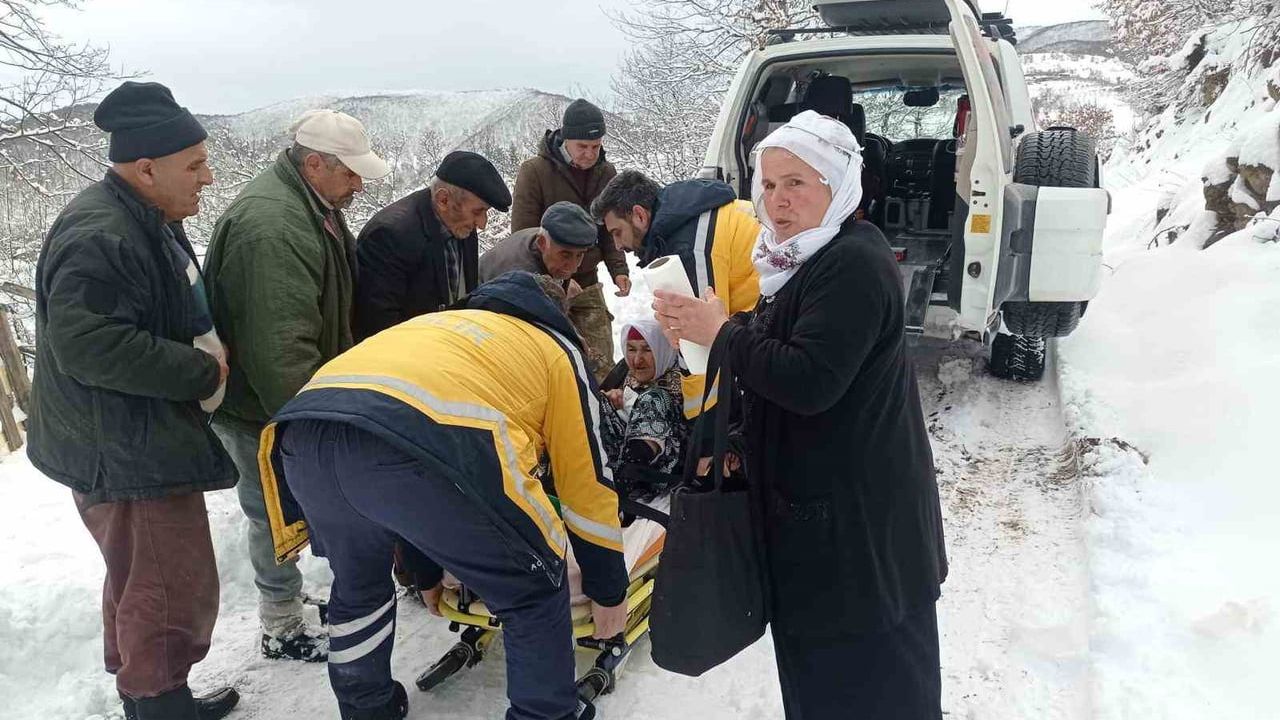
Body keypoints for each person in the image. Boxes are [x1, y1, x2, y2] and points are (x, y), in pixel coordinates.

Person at [652, 110, 948, 719]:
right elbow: (776, 369)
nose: (778, 202)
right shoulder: (795, 262)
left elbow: (810, 381)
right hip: (819, 535)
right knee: (820, 685)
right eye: (768, 184)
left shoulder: (853, 265)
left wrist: (725, 332)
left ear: (837, 188)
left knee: (878, 690)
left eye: (797, 184)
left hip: (862, 539)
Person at [257, 272, 628, 720]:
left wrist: (425, 573)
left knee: (358, 588)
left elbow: (402, 470)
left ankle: (367, 707)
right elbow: (585, 480)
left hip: (303, 434)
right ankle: (546, 714)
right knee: (533, 583)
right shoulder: (554, 348)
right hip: (422, 444)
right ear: (555, 316)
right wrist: (608, 590)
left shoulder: (432, 326)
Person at [28, 81, 239, 720]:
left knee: (141, 580)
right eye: (194, 165)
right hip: (124, 451)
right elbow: (89, 346)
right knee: (167, 587)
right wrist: (201, 371)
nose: (207, 177)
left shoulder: (142, 214)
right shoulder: (102, 233)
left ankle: (153, 696)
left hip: (128, 437)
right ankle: (159, 706)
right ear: (146, 168)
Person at [204, 108, 390, 662]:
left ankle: (286, 599)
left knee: (287, 506)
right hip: (261, 405)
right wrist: (311, 426)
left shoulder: (315, 205)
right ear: (314, 163)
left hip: (286, 395)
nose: (358, 184)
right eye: (350, 173)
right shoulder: (274, 228)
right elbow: (279, 347)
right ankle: (280, 622)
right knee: (269, 509)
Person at [589, 170, 760, 471]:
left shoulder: (691, 247)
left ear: (639, 215)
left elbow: (702, 354)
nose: (617, 246)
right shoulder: (689, 219)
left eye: (617, 233)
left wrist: (705, 442)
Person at [512, 99, 629, 379]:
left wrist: (619, 270)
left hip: (587, 281)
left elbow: (608, 230)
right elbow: (524, 235)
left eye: (596, 146)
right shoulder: (535, 172)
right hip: (545, 283)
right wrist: (558, 276)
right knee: (551, 360)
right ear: (565, 140)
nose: (590, 154)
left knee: (601, 363)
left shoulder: (607, 174)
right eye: (582, 147)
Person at [354, 150, 511, 340]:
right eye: (478, 211)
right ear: (443, 199)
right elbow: (379, 327)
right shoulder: (390, 235)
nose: (483, 224)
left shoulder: (461, 224)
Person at [600, 319, 687, 487]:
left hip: (661, 473)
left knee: (654, 398)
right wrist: (609, 398)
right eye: (631, 349)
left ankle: (627, 475)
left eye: (648, 350)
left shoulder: (685, 380)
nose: (637, 360)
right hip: (614, 462)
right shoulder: (624, 375)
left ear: (663, 350)